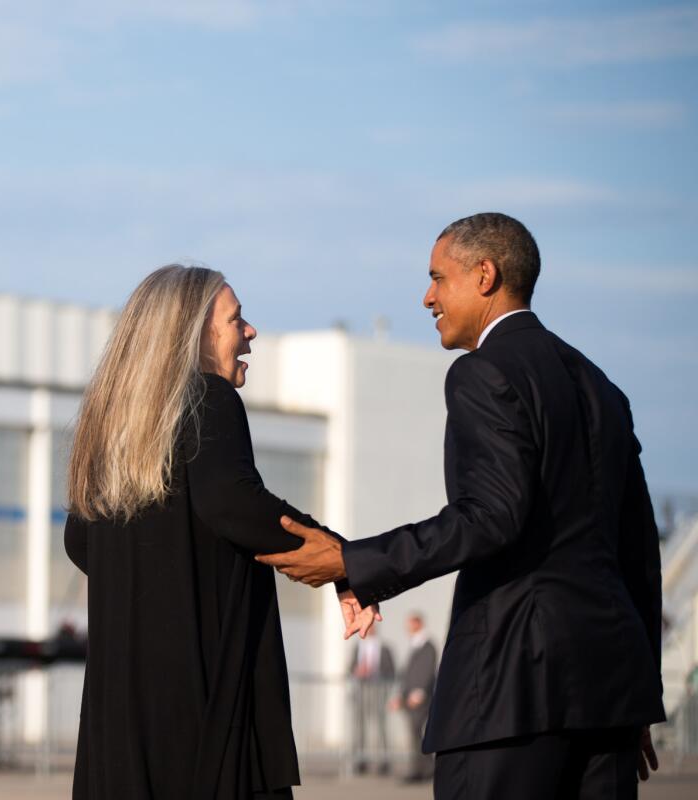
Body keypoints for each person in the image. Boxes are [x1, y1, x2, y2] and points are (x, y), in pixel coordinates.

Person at [258, 213, 664, 799]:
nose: (427, 297)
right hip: (611, 696)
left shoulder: (483, 371)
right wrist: (638, 696)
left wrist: (355, 562)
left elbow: (491, 515)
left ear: (484, 275)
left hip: (513, 688)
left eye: (436, 278)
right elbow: (637, 551)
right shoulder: (604, 389)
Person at [63, 265, 375, 800]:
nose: (250, 331)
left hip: (122, 724)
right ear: (196, 332)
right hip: (201, 707)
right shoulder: (209, 397)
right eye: (236, 320)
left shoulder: (112, 427)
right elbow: (237, 506)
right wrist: (345, 560)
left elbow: (80, 541)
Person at [389, 612, 435, 783]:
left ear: (418, 624)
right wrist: (399, 696)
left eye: (410, 624)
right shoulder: (415, 645)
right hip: (408, 698)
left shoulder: (428, 646)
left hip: (419, 699)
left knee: (416, 731)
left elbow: (427, 671)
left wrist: (419, 692)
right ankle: (424, 768)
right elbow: (407, 674)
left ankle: (421, 769)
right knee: (414, 734)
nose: (407, 628)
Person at [347, 631, 394, 775]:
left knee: (380, 726)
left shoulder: (384, 648)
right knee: (359, 726)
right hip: (361, 689)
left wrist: (376, 672)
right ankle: (360, 760)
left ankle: (384, 761)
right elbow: (350, 668)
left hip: (378, 689)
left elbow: (391, 670)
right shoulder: (358, 647)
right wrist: (357, 670)